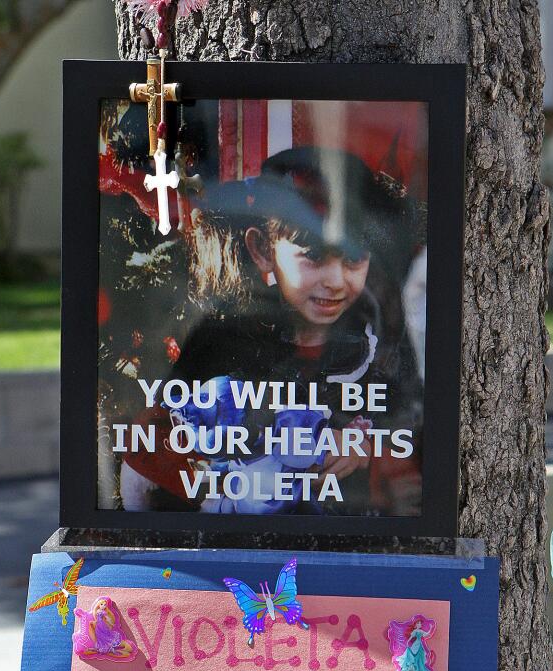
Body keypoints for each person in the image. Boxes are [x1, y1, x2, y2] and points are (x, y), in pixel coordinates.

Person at [121, 146, 423, 515]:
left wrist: (365, 441)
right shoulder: (219, 339)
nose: (336, 281)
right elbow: (165, 436)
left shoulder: (378, 336)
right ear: (263, 251)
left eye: (353, 258)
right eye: (312, 256)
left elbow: (406, 417)